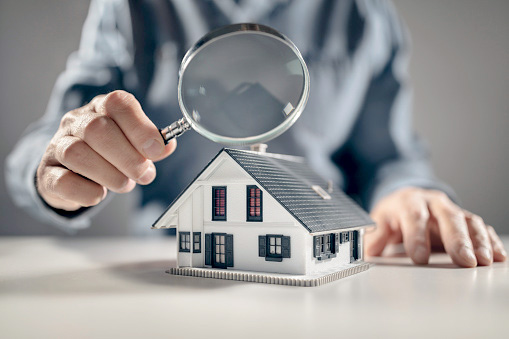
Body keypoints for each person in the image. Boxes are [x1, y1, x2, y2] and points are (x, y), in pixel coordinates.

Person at [6, 0, 506, 267]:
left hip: (323, 272)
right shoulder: (128, 7)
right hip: (166, 268)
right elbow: (52, 136)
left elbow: (388, 158)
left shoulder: (364, 14)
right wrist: (55, 165)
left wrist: (405, 194)